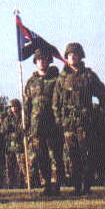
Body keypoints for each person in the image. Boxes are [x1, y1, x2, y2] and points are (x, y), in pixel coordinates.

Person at [52, 42, 105, 196]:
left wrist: (100, 116)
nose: (72, 57)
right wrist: (59, 120)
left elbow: (103, 96)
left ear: (80, 56)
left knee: (87, 155)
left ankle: (87, 186)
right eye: (70, 55)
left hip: (85, 124)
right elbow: (55, 103)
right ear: (66, 57)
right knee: (72, 156)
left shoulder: (89, 76)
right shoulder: (62, 78)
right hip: (68, 125)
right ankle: (76, 187)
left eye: (75, 54)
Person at [24, 48, 64, 196]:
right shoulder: (31, 82)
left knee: (55, 155)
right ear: (35, 62)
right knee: (41, 157)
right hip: (36, 126)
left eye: (44, 59)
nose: (41, 61)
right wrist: (26, 123)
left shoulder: (56, 79)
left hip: (53, 124)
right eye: (39, 59)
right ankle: (46, 184)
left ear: (49, 60)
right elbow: (27, 104)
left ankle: (55, 184)